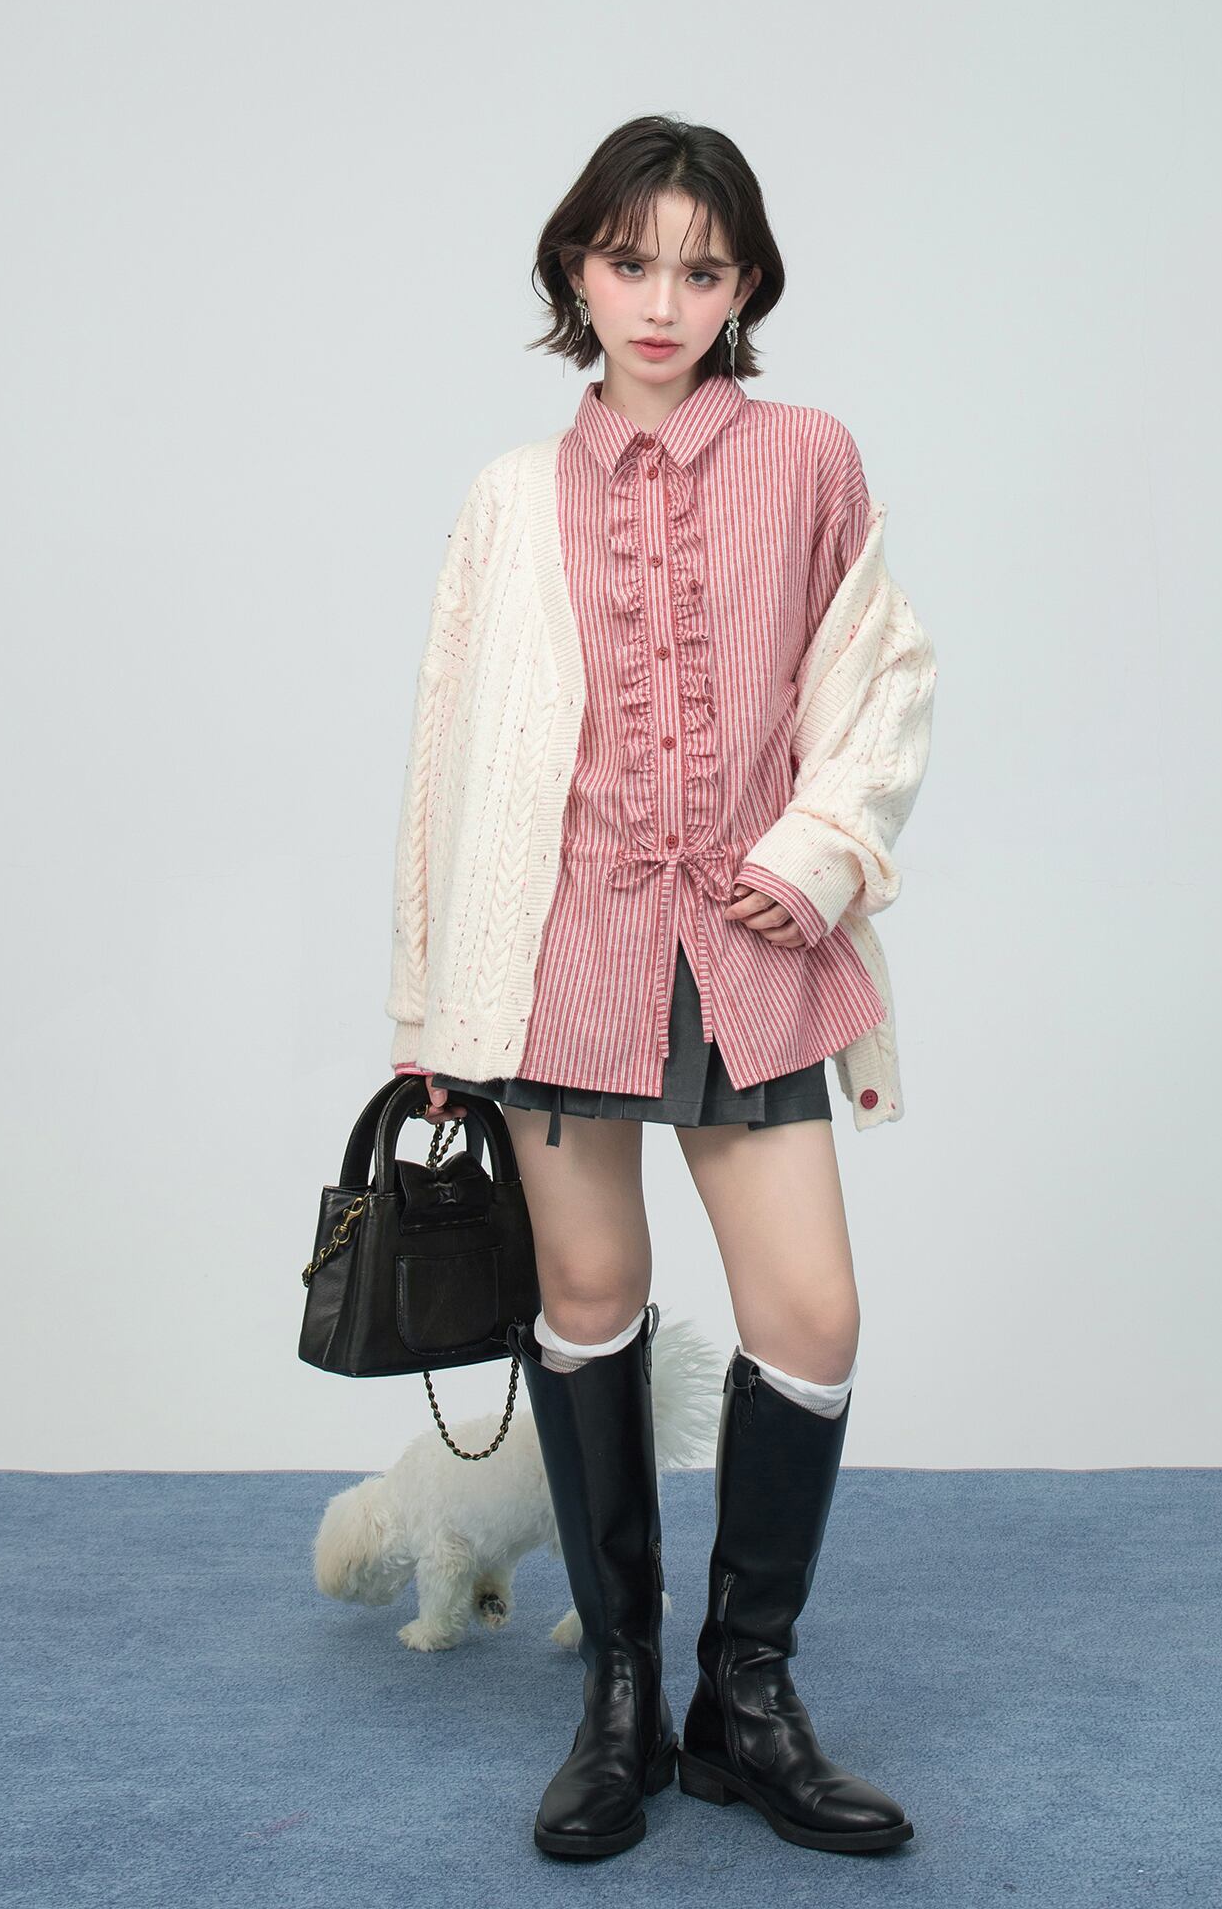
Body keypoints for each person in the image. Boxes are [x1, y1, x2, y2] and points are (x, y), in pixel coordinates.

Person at [384, 113, 937, 1860]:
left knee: (811, 1315)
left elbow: (883, 681)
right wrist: (431, 1018)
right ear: (577, 266)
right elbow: (450, 755)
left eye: (701, 270)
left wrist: (821, 853)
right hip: (558, 952)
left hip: (748, 943)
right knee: (591, 1288)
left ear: (746, 283)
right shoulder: (511, 496)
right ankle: (620, 1692)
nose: (661, 300)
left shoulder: (809, 457)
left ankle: (744, 1701)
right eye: (630, 262)